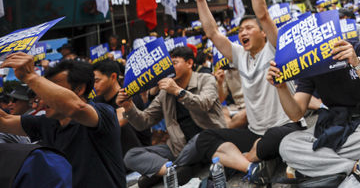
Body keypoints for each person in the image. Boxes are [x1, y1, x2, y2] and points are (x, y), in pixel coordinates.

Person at [193, 0, 304, 184]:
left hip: (286, 127)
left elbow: (263, 15)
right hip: (256, 132)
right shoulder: (238, 55)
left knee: (272, 139)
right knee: (205, 139)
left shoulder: (275, 47)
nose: (242, 32)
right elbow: (212, 32)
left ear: (263, 34)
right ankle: (252, 165)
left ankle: (254, 156)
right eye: (240, 30)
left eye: (248, 28)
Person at [271, 38, 360, 187]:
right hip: (332, 124)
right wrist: (281, 87)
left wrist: (356, 62)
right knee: (287, 145)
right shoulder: (310, 61)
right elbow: (296, 114)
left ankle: (312, 167)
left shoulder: (358, 48)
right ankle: (358, 167)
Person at [0, 54, 124, 187]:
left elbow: (77, 107)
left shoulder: (104, 113)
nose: (43, 97)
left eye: (51, 89)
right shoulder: (47, 123)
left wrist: (30, 77)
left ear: (79, 89)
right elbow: (4, 120)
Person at [117, 45, 226, 188]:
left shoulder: (205, 79)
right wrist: (128, 106)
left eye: (174, 63)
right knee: (131, 156)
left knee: (199, 141)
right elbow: (144, 121)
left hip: (208, 140)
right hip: (179, 148)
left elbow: (204, 104)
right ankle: (176, 170)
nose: (170, 68)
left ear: (189, 63)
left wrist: (178, 91)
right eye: (168, 65)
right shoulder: (165, 93)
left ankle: (168, 171)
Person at [92, 59, 151, 156]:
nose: (94, 86)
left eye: (97, 81)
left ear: (113, 77)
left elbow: (117, 122)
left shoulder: (129, 96)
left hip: (138, 154)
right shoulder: (97, 101)